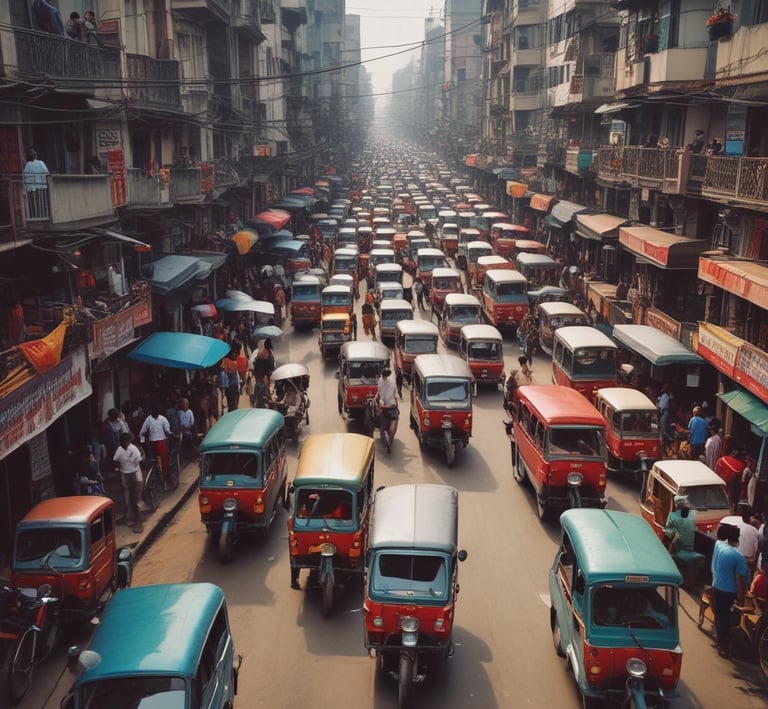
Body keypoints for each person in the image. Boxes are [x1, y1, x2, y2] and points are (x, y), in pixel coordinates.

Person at [711, 523, 748, 657]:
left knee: (720, 616)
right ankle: (724, 646)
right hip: (728, 592)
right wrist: (742, 600)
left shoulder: (718, 545)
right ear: (738, 539)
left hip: (716, 585)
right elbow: (739, 581)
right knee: (726, 618)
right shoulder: (738, 557)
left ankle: (721, 641)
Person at [113, 432, 144, 533]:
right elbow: (115, 459)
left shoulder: (133, 448)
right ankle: (131, 518)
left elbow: (138, 459)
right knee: (128, 498)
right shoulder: (120, 450)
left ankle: (138, 518)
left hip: (134, 474)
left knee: (135, 497)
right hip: (126, 475)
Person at [139, 405, 171, 488]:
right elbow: (142, 431)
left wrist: (170, 435)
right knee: (154, 462)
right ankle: (156, 479)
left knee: (163, 462)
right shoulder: (148, 420)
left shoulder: (163, 419)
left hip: (161, 441)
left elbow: (167, 431)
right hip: (152, 443)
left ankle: (164, 481)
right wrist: (143, 442)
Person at [376, 367, 399, 454]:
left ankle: (385, 434)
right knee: (394, 422)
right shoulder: (393, 381)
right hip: (392, 407)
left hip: (383, 407)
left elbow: (379, 393)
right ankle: (390, 441)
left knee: (383, 426)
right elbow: (394, 393)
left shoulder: (380, 381)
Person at [23, 147, 49, 219]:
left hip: (40, 186)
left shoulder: (40, 162)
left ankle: (44, 217)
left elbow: (46, 173)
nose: (32, 153)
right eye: (30, 152)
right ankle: (35, 217)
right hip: (31, 188)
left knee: (41, 203)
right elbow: (26, 177)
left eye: (33, 152)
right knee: (33, 204)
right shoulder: (27, 164)